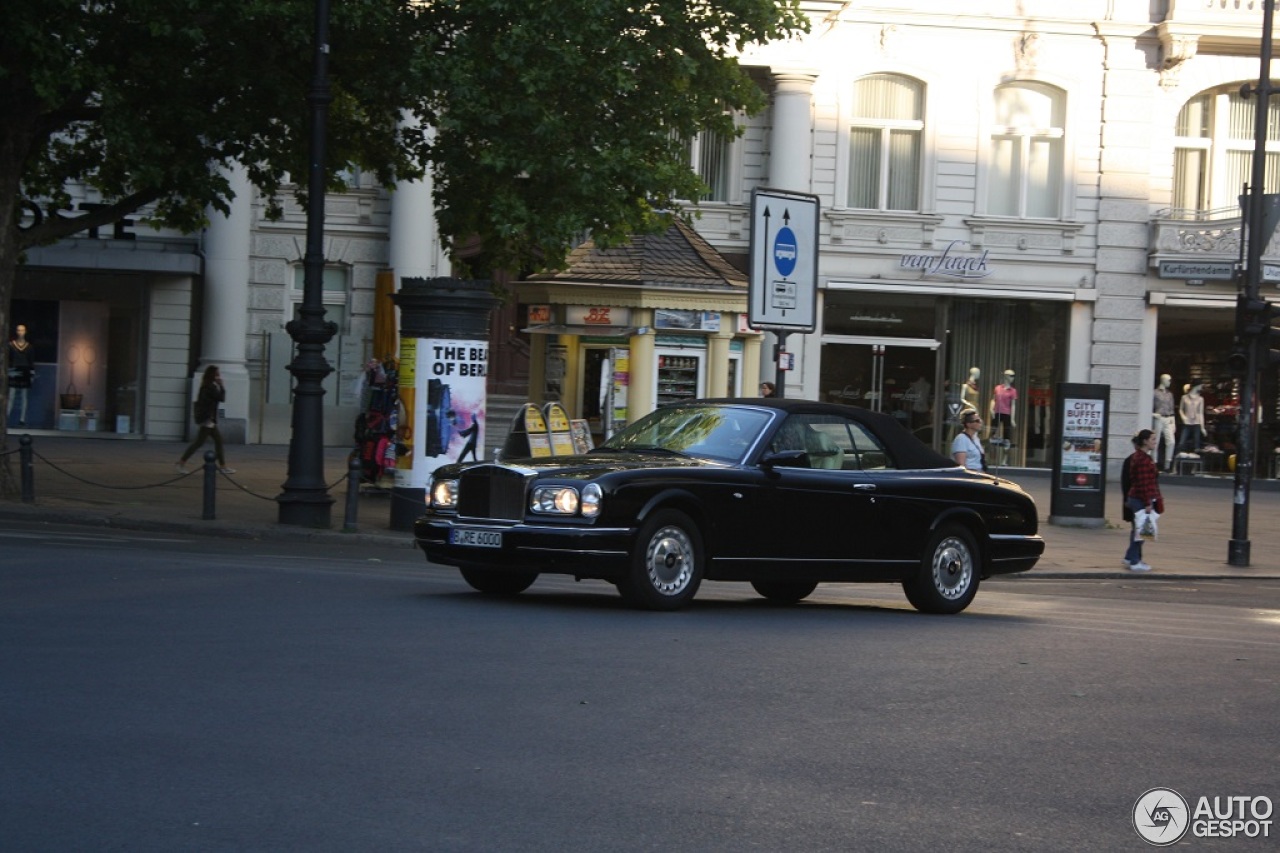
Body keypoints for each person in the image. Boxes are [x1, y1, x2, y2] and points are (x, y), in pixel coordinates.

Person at [176, 365, 234, 474]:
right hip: (208, 419)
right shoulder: (209, 387)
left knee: (217, 441)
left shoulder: (208, 386)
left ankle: (222, 466)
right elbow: (221, 398)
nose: (219, 376)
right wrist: (222, 386)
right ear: (212, 375)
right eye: (217, 374)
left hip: (208, 419)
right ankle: (181, 463)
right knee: (200, 442)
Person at [1120, 428, 1163, 572]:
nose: (1155, 442)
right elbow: (1144, 483)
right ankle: (1134, 561)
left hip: (1135, 497)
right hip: (1140, 499)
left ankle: (1129, 557)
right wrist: (1148, 503)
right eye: (1152, 440)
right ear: (1145, 441)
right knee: (1143, 532)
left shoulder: (1138, 457)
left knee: (1137, 530)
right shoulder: (1144, 460)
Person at [7, 324, 34, 426]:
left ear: (25, 331)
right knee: (11, 396)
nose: (20, 332)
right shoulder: (11, 345)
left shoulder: (29, 347)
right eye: (18, 330)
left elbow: (31, 361)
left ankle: (22, 419)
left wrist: (32, 373)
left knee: (24, 396)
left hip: (25, 371)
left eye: (22, 330)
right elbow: (8, 359)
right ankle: (7, 416)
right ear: (16, 331)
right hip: (14, 370)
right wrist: (9, 371)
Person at [1152, 374, 1176, 471]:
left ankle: (1167, 464)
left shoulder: (1170, 394)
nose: (1170, 382)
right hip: (1158, 418)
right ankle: (1154, 463)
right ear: (1163, 380)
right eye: (1168, 380)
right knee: (1155, 441)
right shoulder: (1154, 393)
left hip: (1168, 418)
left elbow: (1172, 409)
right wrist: (1153, 414)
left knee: (1171, 441)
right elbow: (1147, 405)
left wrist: (1173, 422)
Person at [1176, 382, 1204, 456]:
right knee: (1181, 443)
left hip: (1196, 423)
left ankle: (1195, 466)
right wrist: (1183, 417)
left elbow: (1201, 413)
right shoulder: (1184, 397)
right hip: (1187, 423)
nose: (1201, 387)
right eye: (1201, 385)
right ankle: (1176, 464)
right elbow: (1180, 409)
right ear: (1196, 386)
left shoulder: (1200, 399)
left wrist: (1202, 427)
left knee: (1196, 445)